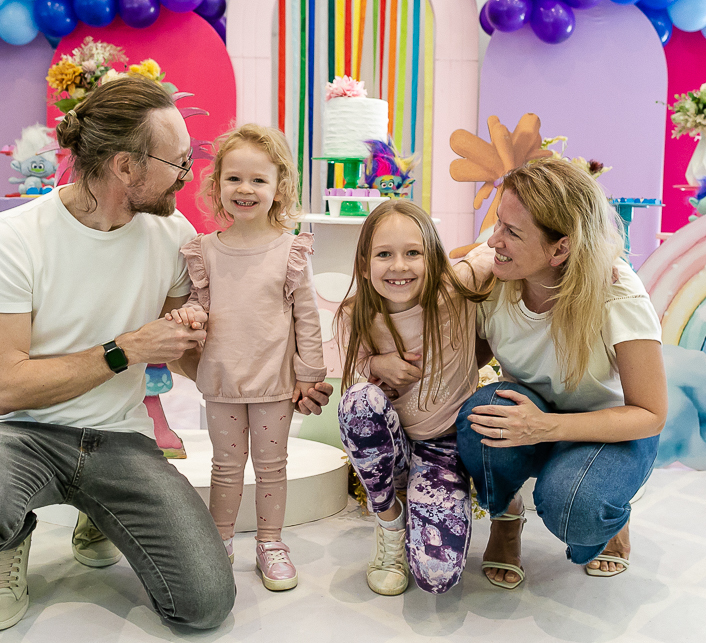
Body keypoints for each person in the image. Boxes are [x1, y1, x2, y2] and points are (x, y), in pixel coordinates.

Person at [0, 78, 330, 632]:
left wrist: (280, 376)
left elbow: (189, 354)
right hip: (16, 433)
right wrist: (126, 350)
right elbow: (5, 388)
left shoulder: (172, 233)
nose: (188, 176)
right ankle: (7, 538)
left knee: (205, 603)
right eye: (179, 161)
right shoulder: (13, 237)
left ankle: (101, 513)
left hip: (120, 440)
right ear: (126, 168)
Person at [372, 157, 666, 588]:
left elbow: (651, 413)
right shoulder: (493, 279)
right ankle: (506, 517)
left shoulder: (618, 295)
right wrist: (376, 364)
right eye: (497, 223)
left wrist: (546, 427)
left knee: (575, 508)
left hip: (613, 431)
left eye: (512, 232)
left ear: (560, 248)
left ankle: (610, 521)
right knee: (481, 412)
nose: (494, 240)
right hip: (535, 418)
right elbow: (452, 363)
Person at [168, 124, 327, 591]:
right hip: (221, 379)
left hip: (274, 382)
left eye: (259, 180)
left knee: (273, 464)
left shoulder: (290, 250)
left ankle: (271, 542)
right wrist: (190, 314)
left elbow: (308, 319)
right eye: (234, 178)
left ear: (279, 188)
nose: (246, 189)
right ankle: (219, 541)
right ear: (216, 185)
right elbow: (203, 304)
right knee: (225, 465)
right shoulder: (205, 251)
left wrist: (310, 374)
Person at [335, 200, 494, 596]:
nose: (399, 266)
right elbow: (354, 387)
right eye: (384, 254)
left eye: (413, 253)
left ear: (433, 256)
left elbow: (499, 245)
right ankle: (390, 523)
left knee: (436, 577)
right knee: (358, 401)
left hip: (444, 447)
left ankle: (420, 514)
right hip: (394, 449)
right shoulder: (356, 314)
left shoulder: (457, 288)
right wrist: (378, 362)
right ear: (364, 262)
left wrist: (603, 261)